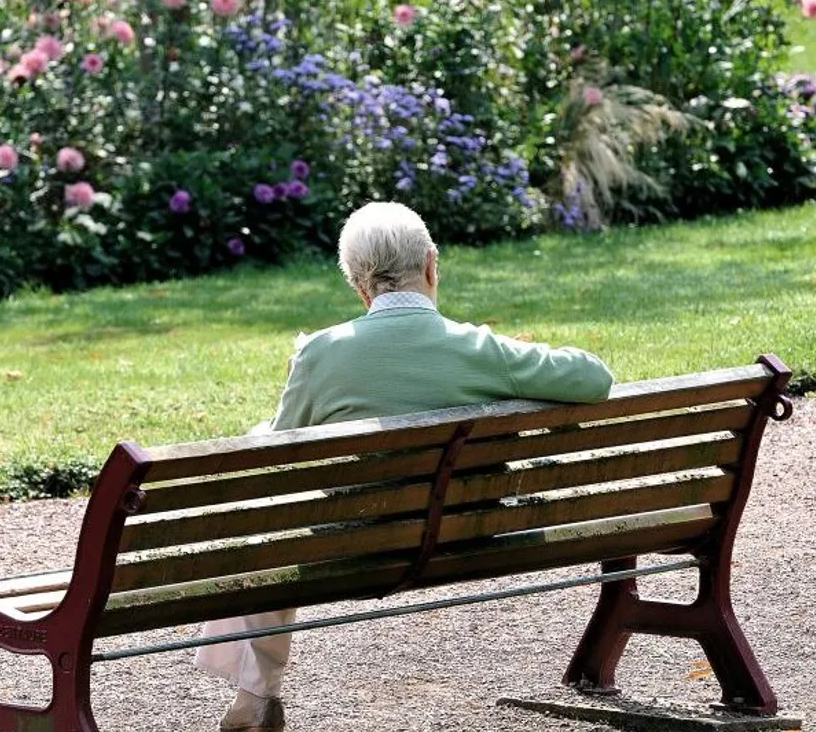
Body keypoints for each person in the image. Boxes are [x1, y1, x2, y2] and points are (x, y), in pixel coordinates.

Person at [195, 202, 615, 732]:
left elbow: (276, 454)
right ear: (432, 266)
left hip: (354, 547)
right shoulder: (481, 349)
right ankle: (254, 696)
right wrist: (510, 351)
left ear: (359, 287)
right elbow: (594, 379)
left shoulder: (321, 355)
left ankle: (257, 695)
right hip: (468, 535)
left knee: (267, 538)